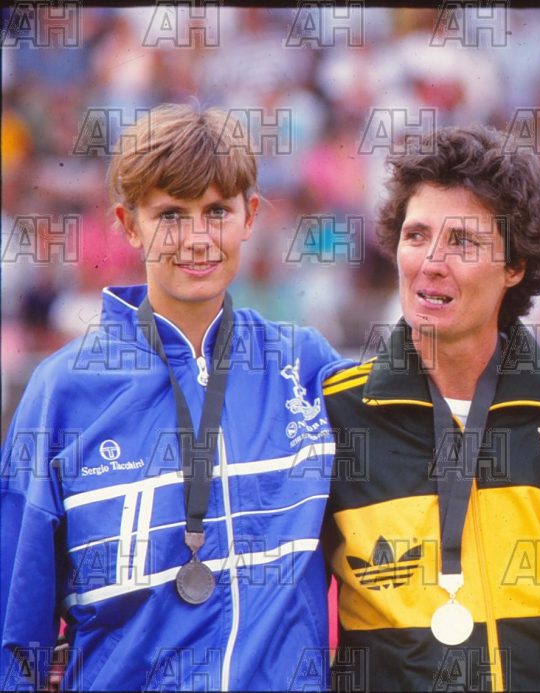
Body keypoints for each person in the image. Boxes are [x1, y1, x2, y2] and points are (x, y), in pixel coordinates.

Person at [0, 104, 353, 690]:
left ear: (250, 216)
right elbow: (15, 638)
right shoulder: (61, 392)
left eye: (217, 211)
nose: (197, 239)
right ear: (129, 224)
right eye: (170, 215)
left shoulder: (305, 366)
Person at [319, 125, 540, 690]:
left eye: (462, 242)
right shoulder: (336, 416)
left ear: (514, 266)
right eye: (416, 235)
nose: (432, 261)